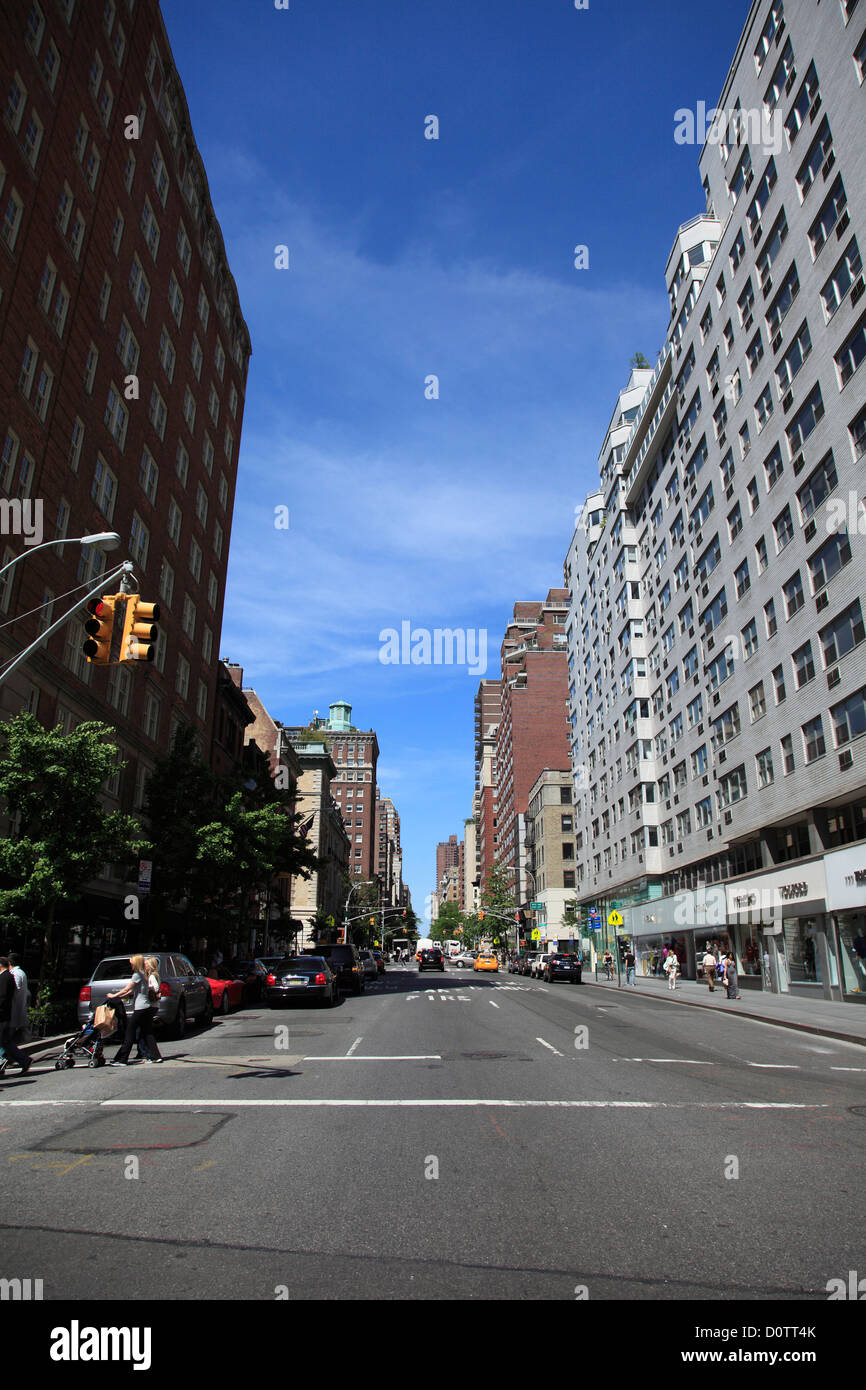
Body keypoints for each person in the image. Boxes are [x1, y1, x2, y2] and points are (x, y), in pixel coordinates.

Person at [107, 955, 162, 1065]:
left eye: (131, 963)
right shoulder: (143, 975)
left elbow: (128, 988)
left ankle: (122, 1059)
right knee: (147, 1032)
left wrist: (114, 995)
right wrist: (121, 996)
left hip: (140, 1007)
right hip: (146, 1007)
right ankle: (156, 1056)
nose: (130, 965)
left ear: (135, 964)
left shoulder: (137, 975)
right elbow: (131, 991)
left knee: (130, 1032)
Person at [0, 958, 32, 1075]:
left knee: (5, 1041)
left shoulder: (6, 977)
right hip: (7, 1014)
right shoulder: (10, 975)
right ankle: (24, 1060)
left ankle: (7, 1061)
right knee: (5, 1041)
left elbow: (3, 997)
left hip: (3, 1015)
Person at [8, 954, 29, 1044]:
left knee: (7, 1037)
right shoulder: (21, 973)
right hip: (17, 1009)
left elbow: (15, 990)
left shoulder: (16, 974)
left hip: (14, 1009)